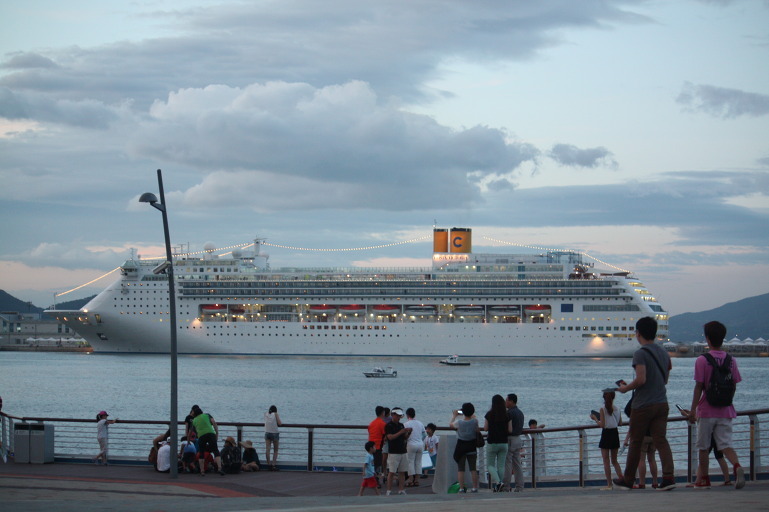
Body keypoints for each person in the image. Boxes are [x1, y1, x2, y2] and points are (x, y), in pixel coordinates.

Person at [613, 316, 676, 491]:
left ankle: (628, 479)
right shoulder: (664, 353)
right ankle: (669, 477)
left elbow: (641, 379)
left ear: (638, 333)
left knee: (636, 441)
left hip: (643, 405)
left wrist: (625, 389)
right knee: (661, 440)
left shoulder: (640, 353)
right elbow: (665, 379)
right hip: (662, 402)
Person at [685, 320, 745, 489]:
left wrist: (692, 410)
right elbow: (734, 384)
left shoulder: (702, 360)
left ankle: (704, 479)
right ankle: (737, 466)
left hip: (706, 410)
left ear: (708, 339)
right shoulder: (731, 360)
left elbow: (699, 387)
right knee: (726, 444)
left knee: (703, 447)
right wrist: (727, 400)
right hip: (726, 409)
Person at [591, 391, 622, 490]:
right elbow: (620, 423)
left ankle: (609, 484)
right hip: (615, 433)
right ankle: (622, 480)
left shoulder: (602, 409)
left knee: (606, 460)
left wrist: (595, 419)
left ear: (604, 398)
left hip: (606, 434)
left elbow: (602, 425)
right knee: (615, 461)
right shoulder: (617, 409)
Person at [450, 402, 480, 493]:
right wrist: (471, 415)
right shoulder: (475, 421)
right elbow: (475, 423)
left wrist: (454, 416)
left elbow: (451, 424)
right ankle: (474, 488)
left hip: (461, 447)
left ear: (463, 412)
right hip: (472, 446)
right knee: (473, 469)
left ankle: (461, 488)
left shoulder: (459, 422)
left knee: (461, 469)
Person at [484, 394, 511, 492]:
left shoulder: (489, 414)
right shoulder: (507, 415)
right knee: (501, 466)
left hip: (492, 442)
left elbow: (485, 428)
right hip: (504, 442)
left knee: (490, 466)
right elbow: (510, 430)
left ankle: (499, 483)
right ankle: (499, 486)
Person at [191, 405, 225, 476]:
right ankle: (219, 468)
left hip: (201, 435)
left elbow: (192, 431)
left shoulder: (194, 420)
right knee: (216, 451)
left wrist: (189, 440)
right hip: (211, 433)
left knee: (201, 453)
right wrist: (216, 433)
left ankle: (202, 471)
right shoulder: (207, 415)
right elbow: (214, 423)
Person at [384, 407, 411, 495]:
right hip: (393, 452)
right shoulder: (389, 426)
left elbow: (405, 438)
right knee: (391, 472)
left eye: (400, 416)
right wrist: (401, 432)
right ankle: (389, 490)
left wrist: (408, 433)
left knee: (402, 472)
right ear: (393, 415)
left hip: (402, 450)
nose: (399, 417)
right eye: (397, 416)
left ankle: (401, 489)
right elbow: (390, 437)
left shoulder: (401, 425)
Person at [502, 393, 524, 492]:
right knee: (517, 464)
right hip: (518, 438)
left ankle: (506, 486)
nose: (505, 402)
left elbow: (506, 428)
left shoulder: (509, 413)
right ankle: (520, 486)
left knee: (507, 463)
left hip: (510, 439)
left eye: (506, 400)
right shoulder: (520, 413)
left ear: (511, 401)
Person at [404, 407, 426, 487]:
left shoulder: (406, 424)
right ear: (414, 414)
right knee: (418, 462)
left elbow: (404, 435)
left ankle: (410, 480)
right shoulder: (420, 423)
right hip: (420, 444)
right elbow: (424, 435)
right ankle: (416, 480)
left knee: (410, 462)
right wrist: (420, 440)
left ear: (407, 415)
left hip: (411, 444)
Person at [367, 405, 387, 483]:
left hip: (370, 446)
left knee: (372, 464)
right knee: (378, 464)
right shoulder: (382, 424)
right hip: (378, 446)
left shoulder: (372, 423)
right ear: (383, 413)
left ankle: (371, 479)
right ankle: (376, 480)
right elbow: (385, 435)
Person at [264, 405, 282, 471]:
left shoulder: (266, 414)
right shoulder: (275, 414)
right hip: (274, 433)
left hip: (267, 433)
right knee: (275, 450)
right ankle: (273, 465)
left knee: (267, 450)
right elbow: (280, 423)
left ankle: (268, 465)